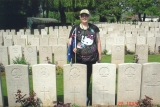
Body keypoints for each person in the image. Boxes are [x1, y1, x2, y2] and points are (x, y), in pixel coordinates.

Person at [68, 9, 102, 99]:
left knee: (87, 78)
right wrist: (72, 48)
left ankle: (85, 95)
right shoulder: (75, 28)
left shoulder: (94, 28)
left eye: (86, 15)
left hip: (91, 58)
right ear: (80, 17)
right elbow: (70, 41)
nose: (84, 17)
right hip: (78, 58)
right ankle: (79, 95)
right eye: (82, 16)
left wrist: (100, 55)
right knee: (79, 77)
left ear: (89, 17)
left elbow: (98, 41)